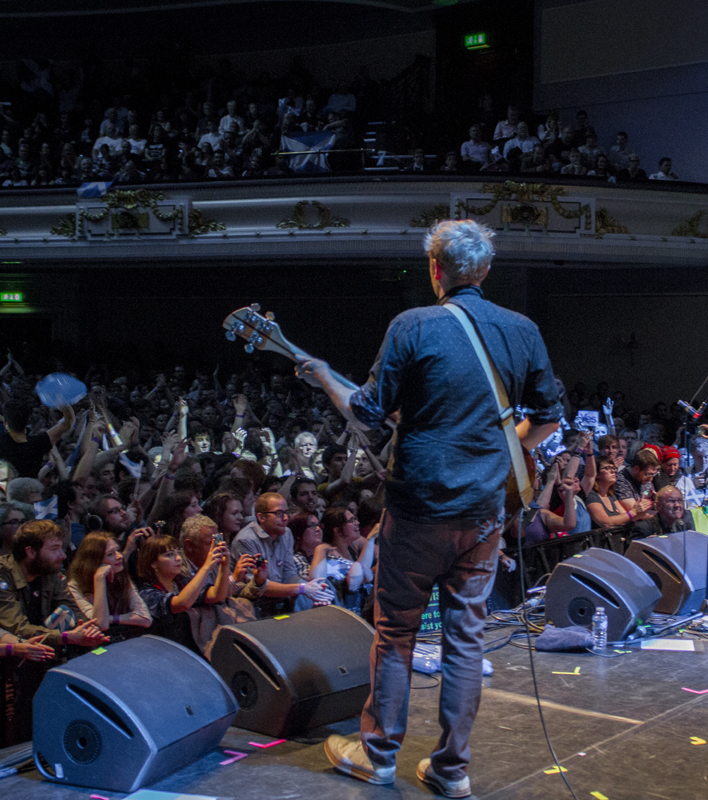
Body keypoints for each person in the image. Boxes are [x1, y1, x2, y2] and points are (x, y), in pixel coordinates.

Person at [299, 219, 561, 797]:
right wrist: (503, 447)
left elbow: (368, 413)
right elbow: (547, 417)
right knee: (465, 639)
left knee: (394, 635)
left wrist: (323, 377)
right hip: (485, 514)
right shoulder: (521, 329)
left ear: (434, 269)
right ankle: (452, 771)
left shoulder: (413, 325)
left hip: (417, 509)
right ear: (486, 271)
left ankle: (379, 757)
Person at [0, 520, 109, 649]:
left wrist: (88, 629)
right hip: (1, 661)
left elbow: (71, 609)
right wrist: (65, 637)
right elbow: (17, 629)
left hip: (41, 652)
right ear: (30, 552)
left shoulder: (49, 571)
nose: (63, 555)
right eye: (55, 548)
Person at [228, 492, 334, 615]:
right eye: (278, 513)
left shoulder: (287, 533)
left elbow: (289, 574)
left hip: (279, 599)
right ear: (261, 517)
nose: (285, 518)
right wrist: (302, 588)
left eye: (286, 512)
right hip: (252, 605)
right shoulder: (246, 540)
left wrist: (310, 587)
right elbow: (257, 586)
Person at [67, 532, 152, 637]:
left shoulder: (121, 576)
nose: (120, 556)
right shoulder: (75, 586)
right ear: (94, 561)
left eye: (118, 550)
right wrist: (99, 578)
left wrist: (112, 618)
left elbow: (145, 618)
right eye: (110, 554)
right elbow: (101, 624)